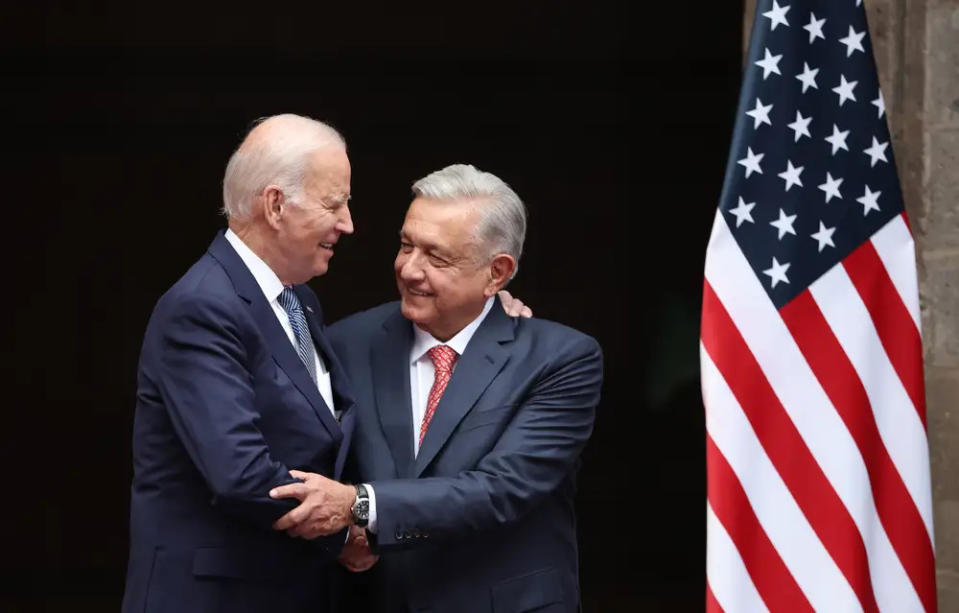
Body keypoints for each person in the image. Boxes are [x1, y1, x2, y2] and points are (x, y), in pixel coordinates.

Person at [270, 163, 603, 612]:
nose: (409, 270)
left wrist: (360, 506)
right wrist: (341, 534)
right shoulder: (347, 344)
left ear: (497, 274)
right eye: (406, 245)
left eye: (437, 257)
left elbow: (502, 489)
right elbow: (311, 459)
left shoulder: (559, 359)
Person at [121, 114, 360, 613]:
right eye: (334, 204)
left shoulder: (301, 303)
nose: (347, 224)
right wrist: (352, 527)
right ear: (275, 205)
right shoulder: (202, 307)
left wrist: (487, 313)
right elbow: (242, 474)